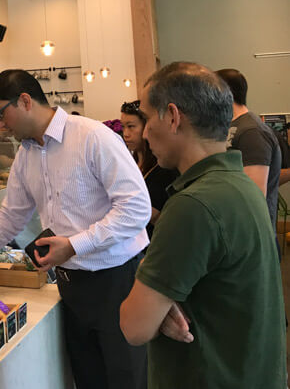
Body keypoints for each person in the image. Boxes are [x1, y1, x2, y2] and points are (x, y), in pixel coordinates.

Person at [0, 69, 151, 389]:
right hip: (70, 284)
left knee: (126, 379)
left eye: (0, 114)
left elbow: (136, 209)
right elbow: (11, 215)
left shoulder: (93, 137)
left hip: (118, 281)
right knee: (87, 378)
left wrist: (75, 244)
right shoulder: (27, 154)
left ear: (25, 101)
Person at [119, 63, 285, 389]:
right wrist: (163, 302)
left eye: (147, 118)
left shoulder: (193, 205)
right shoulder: (240, 186)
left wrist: (153, 300)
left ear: (172, 116)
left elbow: (134, 326)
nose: (145, 131)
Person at [216, 68, 282, 230]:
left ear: (224, 92)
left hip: (252, 235)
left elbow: (254, 196)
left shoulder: (252, 131)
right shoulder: (230, 126)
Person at [120, 100, 177, 237]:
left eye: (131, 126)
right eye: (123, 127)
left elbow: (159, 217)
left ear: (146, 127)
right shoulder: (129, 163)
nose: (126, 133)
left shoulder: (164, 167)